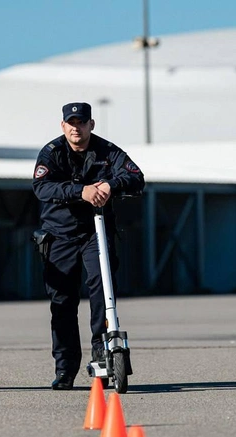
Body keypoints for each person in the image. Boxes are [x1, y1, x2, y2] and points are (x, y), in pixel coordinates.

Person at [32, 102, 145, 390]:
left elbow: (136, 177)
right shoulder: (52, 152)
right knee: (63, 301)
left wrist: (110, 184)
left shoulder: (108, 151)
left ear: (91, 124)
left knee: (102, 289)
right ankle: (65, 368)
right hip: (60, 235)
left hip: (96, 231)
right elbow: (42, 187)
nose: (75, 127)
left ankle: (103, 351)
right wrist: (79, 191)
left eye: (81, 122)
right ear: (62, 126)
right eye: (70, 123)